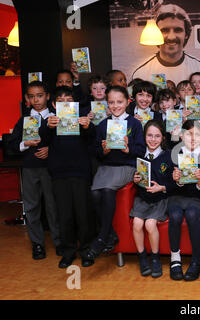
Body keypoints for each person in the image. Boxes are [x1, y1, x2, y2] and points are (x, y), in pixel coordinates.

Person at [86, 86, 145, 261]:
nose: (115, 106)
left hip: (126, 166)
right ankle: (110, 235)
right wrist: (103, 150)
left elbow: (141, 150)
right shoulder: (103, 124)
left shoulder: (134, 123)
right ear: (107, 104)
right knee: (94, 193)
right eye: (111, 102)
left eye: (119, 102)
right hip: (107, 167)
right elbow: (96, 150)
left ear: (127, 102)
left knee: (106, 190)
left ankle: (102, 238)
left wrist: (128, 149)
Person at [44, 86, 96, 268]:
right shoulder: (50, 120)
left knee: (83, 214)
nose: (65, 103)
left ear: (74, 103)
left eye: (69, 99)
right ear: (53, 104)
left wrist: (88, 126)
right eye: (61, 100)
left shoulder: (83, 118)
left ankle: (87, 250)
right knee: (64, 214)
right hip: (59, 173)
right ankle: (68, 252)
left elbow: (93, 139)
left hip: (80, 172)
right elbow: (42, 139)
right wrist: (48, 127)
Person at [9, 81, 61, 260]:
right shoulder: (23, 120)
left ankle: (59, 242)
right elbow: (12, 145)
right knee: (32, 207)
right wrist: (26, 143)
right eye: (32, 96)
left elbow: (66, 144)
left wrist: (51, 150)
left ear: (47, 96)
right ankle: (37, 244)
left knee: (53, 206)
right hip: (30, 168)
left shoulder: (55, 117)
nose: (36, 100)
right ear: (27, 99)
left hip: (50, 168)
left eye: (39, 95)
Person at [131, 120, 175, 277]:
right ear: (144, 137)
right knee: (137, 223)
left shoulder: (168, 156)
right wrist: (135, 179)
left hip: (160, 199)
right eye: (149, 135)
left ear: (163, 138)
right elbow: (135, 177)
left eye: (157, 136)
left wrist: (161, 187)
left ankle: (155, 258)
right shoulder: (139, 156)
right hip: (142, 197)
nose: (153, 139)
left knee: (150, 224)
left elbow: (174, 182)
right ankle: (142, 257)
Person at [131, 4, 200, 85]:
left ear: (186, 34)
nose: (171, 37)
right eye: (165, 30)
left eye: (177, 30)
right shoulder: (141, 74)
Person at [170, 120, 200, 281]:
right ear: (182, 136)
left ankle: (197, 260)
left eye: (197, 134)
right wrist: (177, 180)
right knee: (175, 216)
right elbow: (168, 182)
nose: (192, 138)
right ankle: (175, 259)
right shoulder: (174, 153)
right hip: (177, 196)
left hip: (196, 197)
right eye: (188, 134)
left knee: (192, 214)